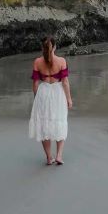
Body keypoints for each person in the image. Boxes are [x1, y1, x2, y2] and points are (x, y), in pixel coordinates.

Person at [29, 36, 72, 165]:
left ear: (42, 48)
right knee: (60, 121)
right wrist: (69, 98)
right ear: (54, 47)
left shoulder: (37, 62)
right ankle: (59, 156)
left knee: (44, 124)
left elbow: (35, 84)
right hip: (58, 92)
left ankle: (49, 157)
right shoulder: (61, 61)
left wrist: (37, 98)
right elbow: (65, 82)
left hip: (43, 92)